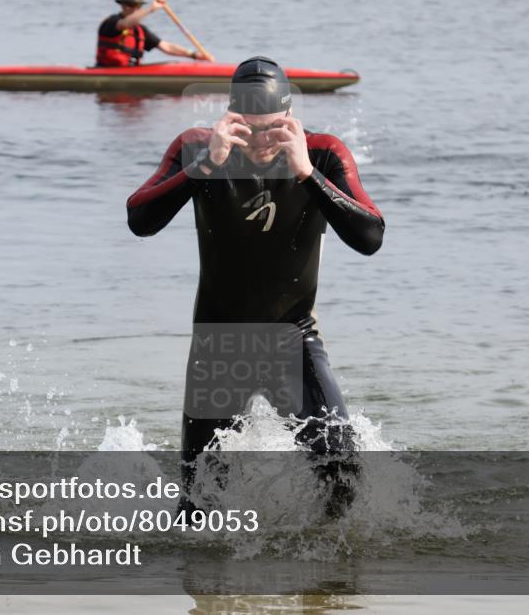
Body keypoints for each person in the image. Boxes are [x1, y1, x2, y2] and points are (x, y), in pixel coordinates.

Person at [126, 56, 385, 515]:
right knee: (199, 501)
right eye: (247, 129)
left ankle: (327, 581)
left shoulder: (322, 153)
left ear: (290, 120)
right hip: (219, 343)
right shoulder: (197, 149)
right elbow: (139, 220)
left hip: (293, 337)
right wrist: (206, 165)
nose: (261, 141)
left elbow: (371, 237)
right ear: (229, 120)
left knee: (342, 469)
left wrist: (308, 175)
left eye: (272, 129)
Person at [96, 0, 210, 67]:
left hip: (131, 71)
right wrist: (151, 8)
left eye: (138, 6)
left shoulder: (140, 31)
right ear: (122, 6)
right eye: (130, 6)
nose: (134, 10)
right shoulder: (111, 22)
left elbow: (167, 47)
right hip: (107, 70)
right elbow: (125, 24)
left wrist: (193, 55)